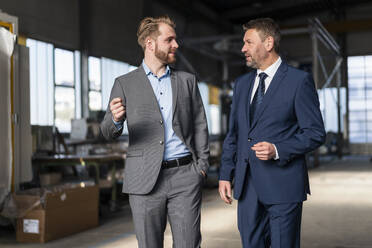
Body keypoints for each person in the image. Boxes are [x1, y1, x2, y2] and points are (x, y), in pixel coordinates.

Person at [100, 16, 209, 248]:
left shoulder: (186, 81)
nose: (176, 45)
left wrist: (201, 167)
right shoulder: (125, 83)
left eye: (175, 39)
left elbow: (200, 124)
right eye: (169, 39)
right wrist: (116, 120)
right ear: (150, 44)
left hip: (185, 177)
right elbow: (107, 131)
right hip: (143, 180)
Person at [218, 18, 326, 248]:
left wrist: (278, 149)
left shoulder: (299, 81)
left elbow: (315, 132)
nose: (243, 48)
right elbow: (234, 134)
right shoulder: (242, 84)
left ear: (268, 43)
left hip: (284, 185)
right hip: (247, 188)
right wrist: (226, 174)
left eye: (248, 42)